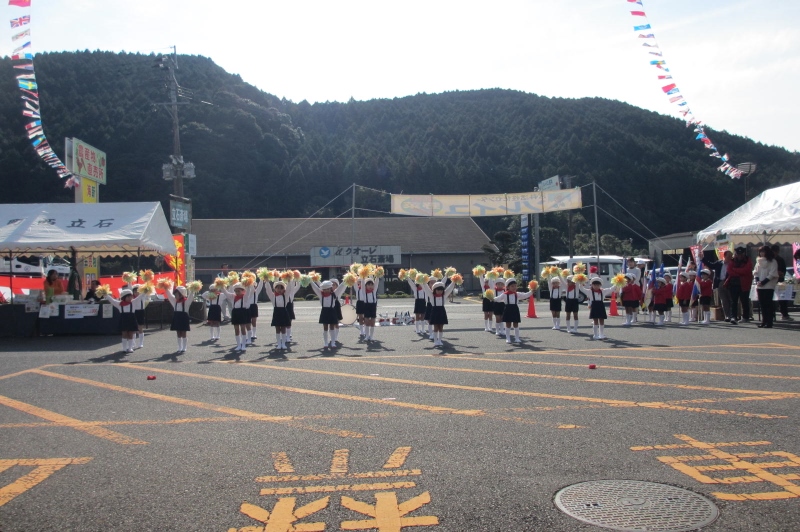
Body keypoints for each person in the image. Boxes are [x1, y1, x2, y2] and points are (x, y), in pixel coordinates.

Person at [492, 279, 533, 344]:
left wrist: (532, 291)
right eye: (512, 286)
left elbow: (525, 295)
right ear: (508, 287)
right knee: (508, 324)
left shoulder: (517, 294)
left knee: (516, 324)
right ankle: (508, 338)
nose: (514, 287)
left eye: (515, 286)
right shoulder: (504, 294)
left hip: (515, 309)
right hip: (507, 309)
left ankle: (517, 338)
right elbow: (498, 298)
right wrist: (491, 298)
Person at [309, 279, 347, 348]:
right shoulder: (321, 295)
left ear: (330, 289)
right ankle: (325, 342)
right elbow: (315, 288)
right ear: (322, 289)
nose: (326, 290)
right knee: (325, 328)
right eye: (325, 289)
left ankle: (333, 342)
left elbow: (340, 287)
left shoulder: (334, 294)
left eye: (328, 289)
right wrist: (311, 281)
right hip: (324, 311)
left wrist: (346, 280)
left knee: (332, 327)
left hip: (332, 311)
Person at [422, 278, 457, 347]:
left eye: (441, 290)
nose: (440, 291)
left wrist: (454, 281)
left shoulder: (444, 296)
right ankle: (435, 341)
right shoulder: (431, 296)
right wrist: (423, 281)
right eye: (438, 290)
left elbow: (449, 288)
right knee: (436, 327)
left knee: (441, 327)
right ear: (434, 290)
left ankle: (440, 340)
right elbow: (426, 288)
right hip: (434, 311)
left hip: (442, 312)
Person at [725, 246, 754, 324]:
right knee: (733, 301)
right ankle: (733, 317)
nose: (739, 255)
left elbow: (747, 270)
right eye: (738, 254)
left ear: (744, 254)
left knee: (744, 301)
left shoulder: (748, 260)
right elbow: (729, 271)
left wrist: (736, 270)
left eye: (741, 254)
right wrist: (740, 273)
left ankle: (745, 317)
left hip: (744, 283)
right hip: (733, 284)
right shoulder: (732, 261)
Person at [753, 245, 779, 328]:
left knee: (768, 304)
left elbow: (772, 273)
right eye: (760, 251)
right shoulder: (758, 261)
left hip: (769, 285)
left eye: (763, 251)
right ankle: (764, 321)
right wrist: (757, 280)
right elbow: (755, 272)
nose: (761, 253)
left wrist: (764, 282)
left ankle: (769, 322)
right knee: (762, 304)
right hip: (760, 286)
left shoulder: (773, 261)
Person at [264, 280, 292, 350]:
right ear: (275, 289)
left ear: (284, 289)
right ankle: (279, 344)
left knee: (283, 328)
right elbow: (268, 290)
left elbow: (289, 289)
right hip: (276, 312)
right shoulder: (273, 296)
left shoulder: (285, 296)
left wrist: (289, 280)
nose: (279, 290)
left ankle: (283, 344)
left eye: (281, 288)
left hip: (284, 312)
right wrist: (267, 282)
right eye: (278, 288)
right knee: (277, 328)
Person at [165, 283, 193, 353]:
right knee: (178, 332)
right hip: (177, 317)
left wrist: (193, 289)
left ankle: (184, 347)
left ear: (181, 294)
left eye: (177, 294)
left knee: (183, 332)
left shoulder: (186, 302)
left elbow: (191, 297)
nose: (175, 295)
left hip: (184, 318)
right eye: (175, 294)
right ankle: (179, 347)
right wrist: (166, 288)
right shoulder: (175, 302)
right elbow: (169, 296)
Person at [224, 282, 250, 351]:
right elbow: (226, 293)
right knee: (236, 329)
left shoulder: (245, 296)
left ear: (242, 290)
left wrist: (248, 285)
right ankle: (238, 345)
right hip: (235, 312)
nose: (237, 292)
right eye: (236, 291)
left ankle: (243, 345)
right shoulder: (233, 296)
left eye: (239, 291)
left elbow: (248, 291)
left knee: (243, 328)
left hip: (242, 312)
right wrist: (221, 286)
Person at [771, 244, 792, 321]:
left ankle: (784, 314)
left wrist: (781, 273)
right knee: (772, 299)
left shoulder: (780, 259)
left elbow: (783, 271)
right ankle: (772, 315)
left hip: (780, 281)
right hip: (771, 281)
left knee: (782, 298)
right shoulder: (770, 260)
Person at [711, 251, 733, 322]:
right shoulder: (719, 263)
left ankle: (733, 315)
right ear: (725, 256)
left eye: (731, 256)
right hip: (721, 283)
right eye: (729, 256)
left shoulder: (733, 263)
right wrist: (702, 258)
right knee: (724, 300)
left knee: (732, 300)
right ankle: (727, 316)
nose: (730, 258)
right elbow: (711, 265)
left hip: (730, 283)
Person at [359, 277, 379, 342]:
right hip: (366, 306)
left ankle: (371, 336)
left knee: (373, 322)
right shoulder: (364, 292)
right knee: (366, 321)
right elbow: (362, 284)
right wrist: (363, 277)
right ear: (366, 286)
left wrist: (377, 276)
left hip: (373, 307)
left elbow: (377, 282)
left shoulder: (374, 291)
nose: (370, 286)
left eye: (371, 285)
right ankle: (367, 336)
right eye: (368, 285)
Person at [131, 284, 147, 349]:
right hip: (134, 312)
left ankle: (141, 343)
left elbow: (146, 289)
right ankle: (133, 343)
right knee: (133, 328)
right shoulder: (132, 298)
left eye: (137, 291)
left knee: (140, 328)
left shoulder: (142, 296)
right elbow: (129, 287)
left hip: (141, 312)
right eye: (135, 292)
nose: (136, 293)